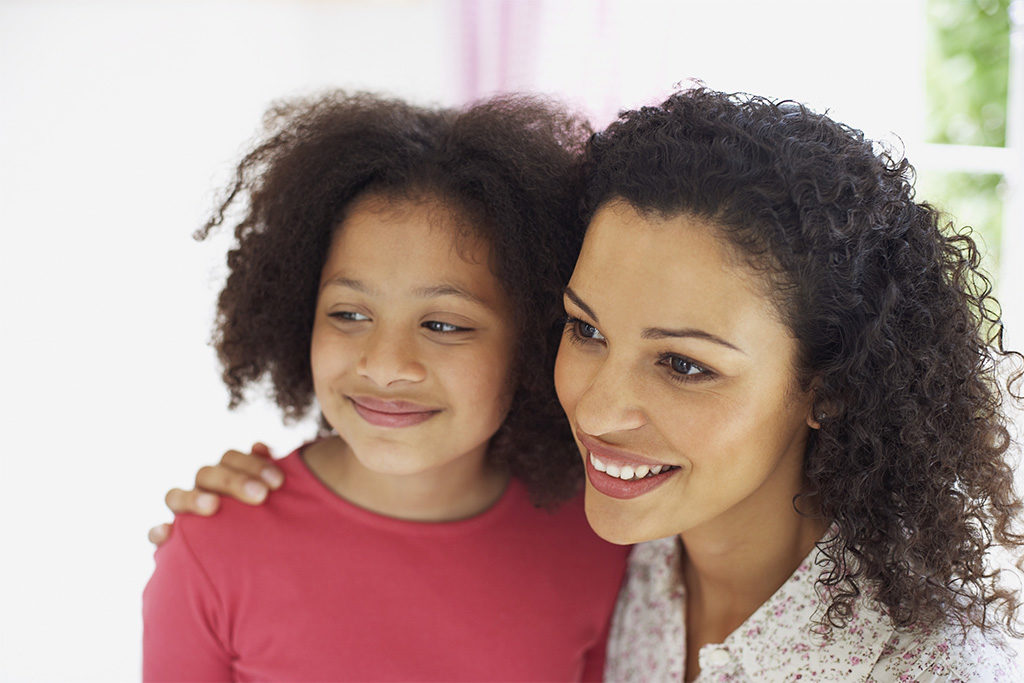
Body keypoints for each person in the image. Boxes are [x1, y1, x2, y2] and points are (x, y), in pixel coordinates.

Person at [156, 87, 1024, 681]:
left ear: (829, 384)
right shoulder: (627, 549)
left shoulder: (926, 665)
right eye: (586, 330)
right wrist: (246, 520)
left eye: (685, 365)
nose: (600, 409)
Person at [142, 91, 630, 682]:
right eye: (349, 314)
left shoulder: (598, 545)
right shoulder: (211, 552)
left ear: (535, 343)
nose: (386, 364)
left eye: (444, 325)